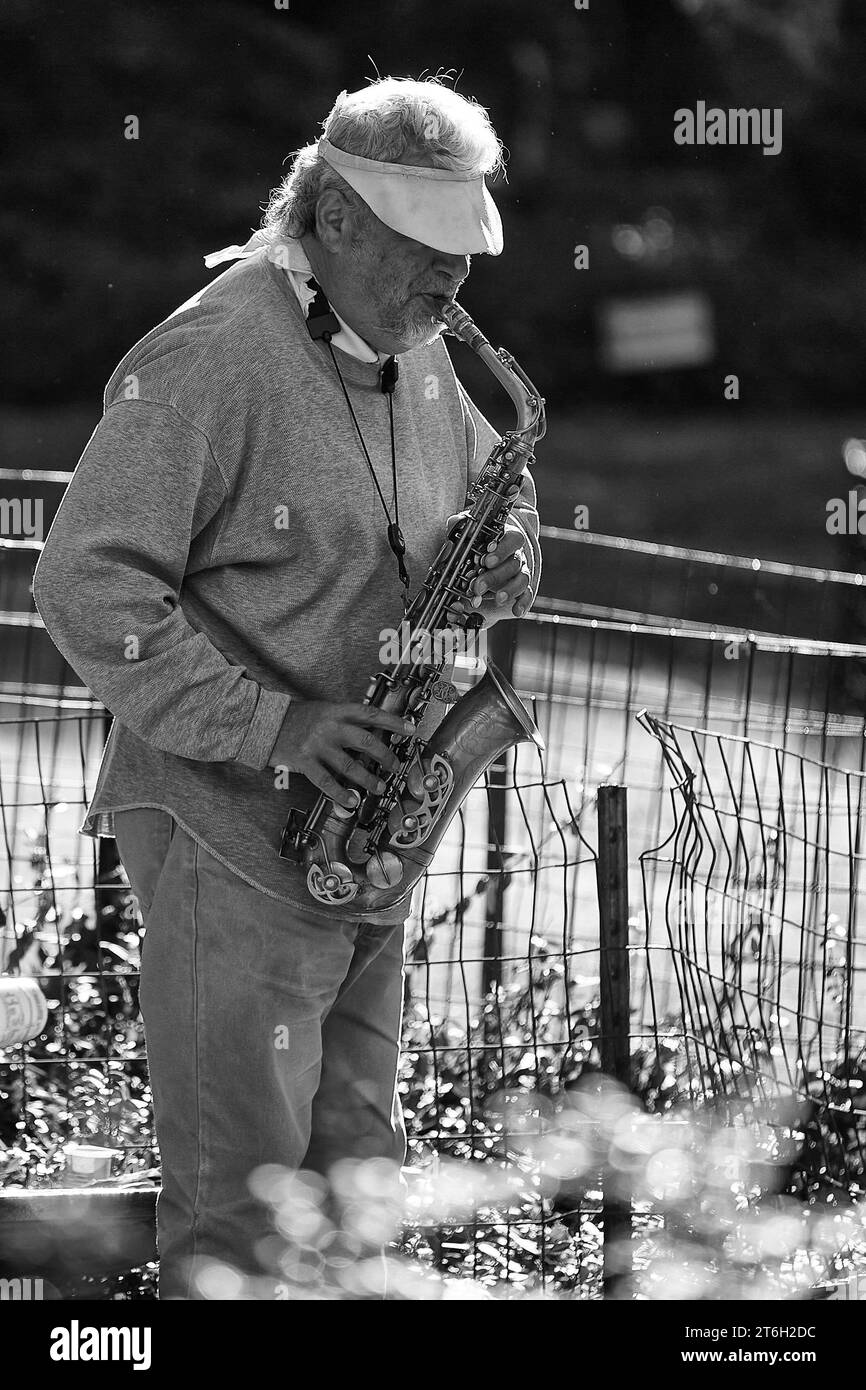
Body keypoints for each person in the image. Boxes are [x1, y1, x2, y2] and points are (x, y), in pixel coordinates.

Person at [32, 75, 541, 1298]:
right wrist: (276, 723)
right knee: (242, 1205)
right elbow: (84, 585)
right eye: (430, 255)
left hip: (362, 832)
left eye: (466, 261)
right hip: (226, 829)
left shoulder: (410, 346)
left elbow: (482, 499)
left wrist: (514, 546)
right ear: (339, 220)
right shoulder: (211, 355)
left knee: (357, 1174)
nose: (451, 288)